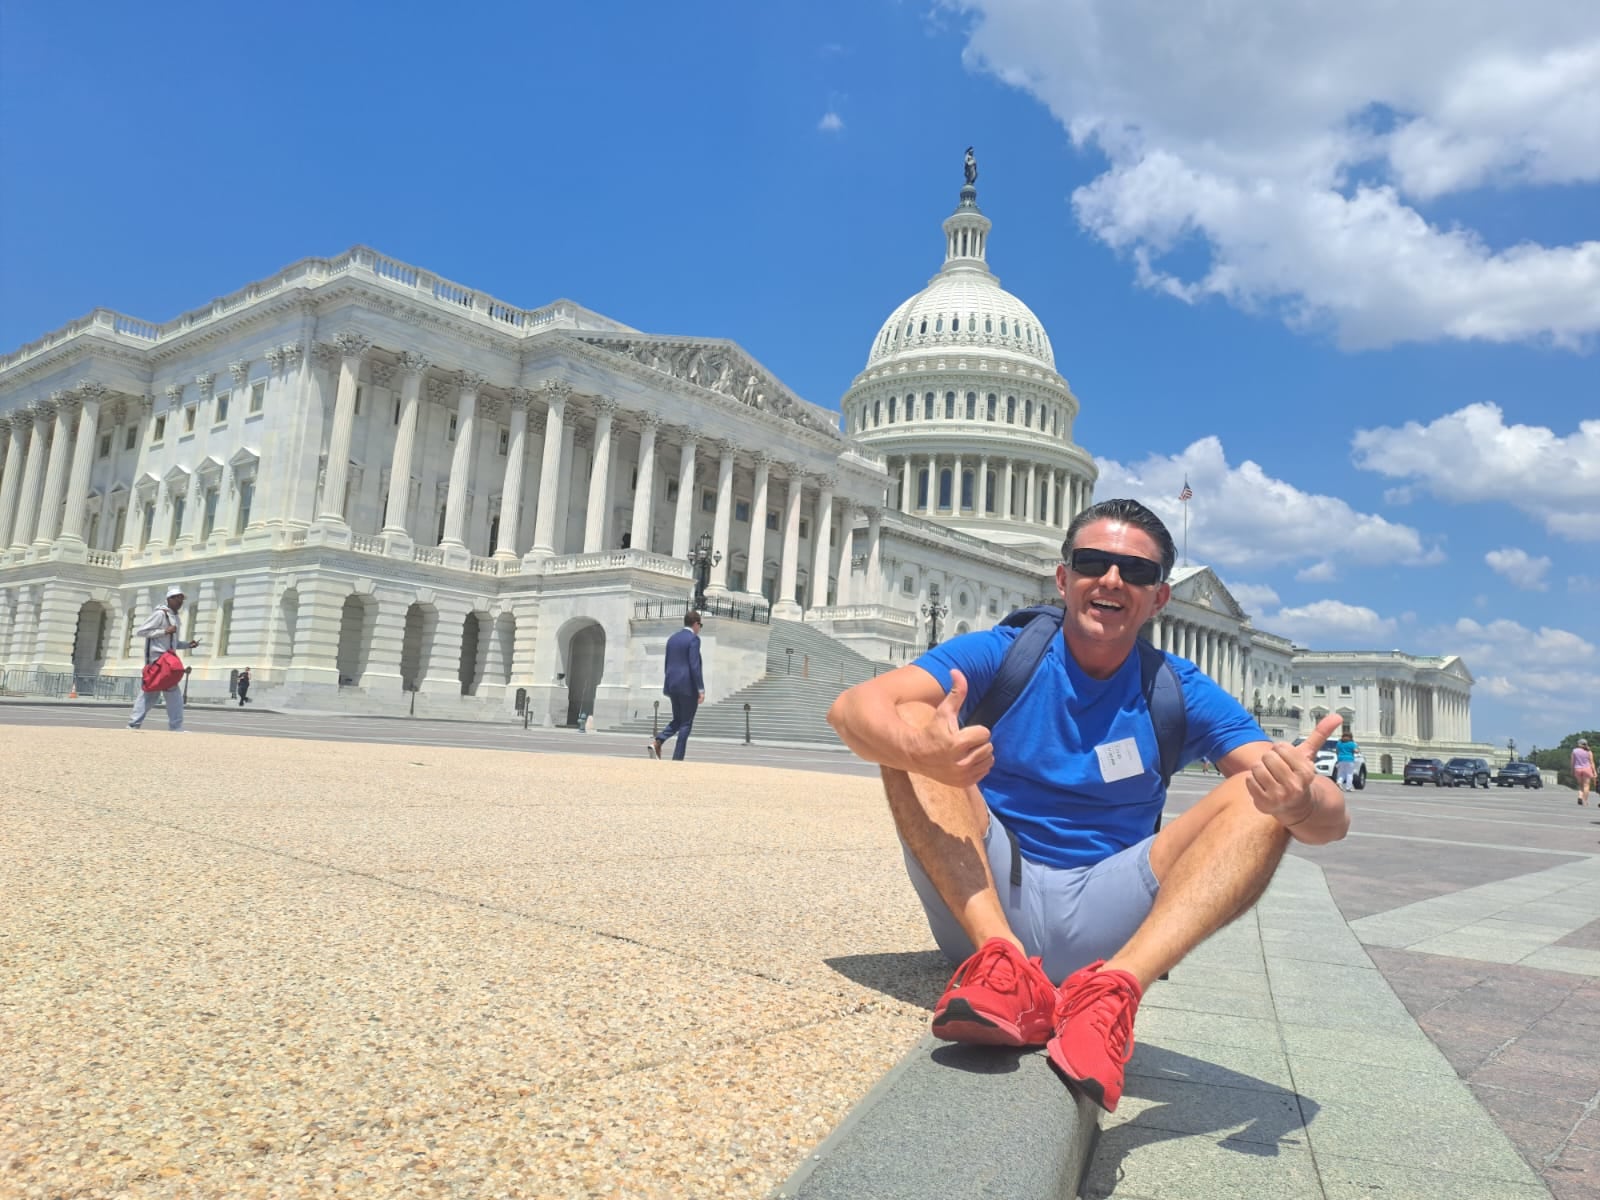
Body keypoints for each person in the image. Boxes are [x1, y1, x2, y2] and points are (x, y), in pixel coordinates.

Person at [828, 498, 1349, 1113]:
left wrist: (1300, 798)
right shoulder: (1004, 652)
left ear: (1160, 599)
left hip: (1106, 907)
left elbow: (1329, 822)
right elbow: (853, 709)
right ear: (1063, 578)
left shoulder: (1175, 688)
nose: (1111, 579)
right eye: (1093, 562)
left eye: (1136, 572)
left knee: (1260, 785)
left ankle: (1113, 991)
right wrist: (926, 752)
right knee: (912, 720)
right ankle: (1004, 965)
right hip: (984, 894)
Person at [128, 585, 200, 732]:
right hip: (157, 661)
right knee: (150, 693)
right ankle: (134, 724)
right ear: (170, 599)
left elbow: (173, 643)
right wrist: (164, 631)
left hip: (168, 661)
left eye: (182, 599)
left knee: (172, 694)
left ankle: (175, 726)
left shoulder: (175, 618)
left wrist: (187, 645)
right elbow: (142, 631)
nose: (180, 602)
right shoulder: (160, 614)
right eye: (178, 598)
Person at [648, 610, 705, 762]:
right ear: (695, 624)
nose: (700, 628)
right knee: (686, 722)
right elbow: (694, 666)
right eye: (700, 625)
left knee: (678, 719)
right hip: (688, 687)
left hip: (673, 684)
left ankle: (658, 741)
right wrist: (700, 688)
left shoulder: (672, 638)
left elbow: (667, 664)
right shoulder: (693, 639)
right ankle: (677, 759)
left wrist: (668, 684)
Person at [1574, 739, 1595, 807]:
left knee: (1580, 785)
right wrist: (1594, 771)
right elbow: (1592, 762)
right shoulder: (1589, 751)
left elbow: (1572, 761)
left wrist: (1572, 769)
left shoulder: (1575, 751)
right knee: (1586, 785)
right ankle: (1585, 801)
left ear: (1579, 744)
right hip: (1587, 769)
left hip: (1577, 769)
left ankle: (1580, 797)